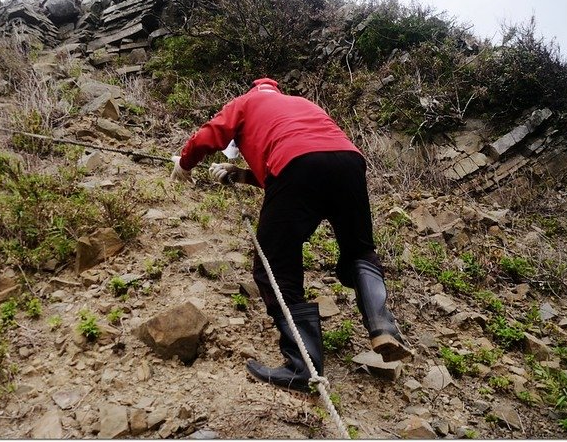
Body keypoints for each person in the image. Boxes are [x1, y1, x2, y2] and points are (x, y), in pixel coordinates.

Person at [170, 77, 413, 393]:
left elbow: (212, 134)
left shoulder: (247, 102)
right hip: (349, 162)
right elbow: (304, 164)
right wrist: (241, 175)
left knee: (274, 265)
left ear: (254, 90)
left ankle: (302, 365)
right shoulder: (303, 104)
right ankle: (382, 326)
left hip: (296, 164)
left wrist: (185, 163)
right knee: (359, 250)